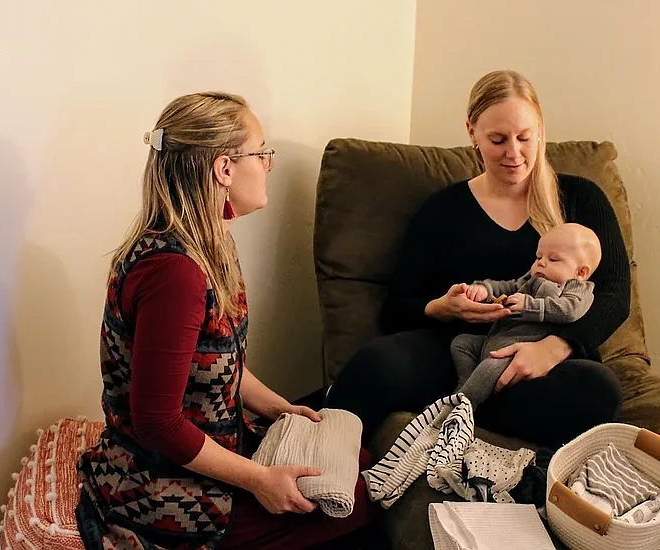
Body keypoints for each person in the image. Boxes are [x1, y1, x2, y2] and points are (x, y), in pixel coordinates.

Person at [75, 92, 377, 550]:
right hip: (158, 478)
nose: (269, 163)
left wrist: (281, 409)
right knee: (357, 497)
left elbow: (221, 364)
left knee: (355, 460)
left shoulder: (210, 242)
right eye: (261, 151)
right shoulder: (174, 273)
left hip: (213, 440)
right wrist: (259, 480)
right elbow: (157, 422)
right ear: (224, 169)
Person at [324, 70, 630, 448]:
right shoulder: (443, 210)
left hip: (547, 358)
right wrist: (443, 308)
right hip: (461, 354)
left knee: (599, 391)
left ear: (541, 129)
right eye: (498, 139)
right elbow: (398, 308)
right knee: (373, 365)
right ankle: (319, 457)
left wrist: (553, 348)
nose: (514, 153)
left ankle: (460, 413)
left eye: (524, 137)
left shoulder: (581, 198)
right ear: (472, 132)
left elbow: (615, 293)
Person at [451, 222, 602, 409]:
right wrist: (483, 289)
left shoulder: (576, 288)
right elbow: (508, 286)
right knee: (461, 343)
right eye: (538, 256)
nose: (541, 262)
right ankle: (466, 385)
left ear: (581, 272)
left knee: (489, 367)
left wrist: (528, 305)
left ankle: (462, 406)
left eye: (553, 259)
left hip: (515, 352)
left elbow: (569, 310)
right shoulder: (532, 279)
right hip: (493, 341)